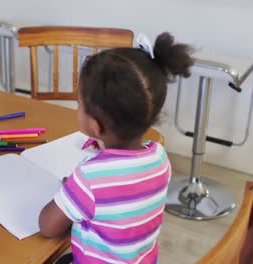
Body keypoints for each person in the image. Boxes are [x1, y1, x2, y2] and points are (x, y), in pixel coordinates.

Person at [39, 32, 194, 263]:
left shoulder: (89, 177)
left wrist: (72, 191)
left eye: (79, 103)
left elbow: (47, 227)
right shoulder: (160, 157)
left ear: (95, 125)